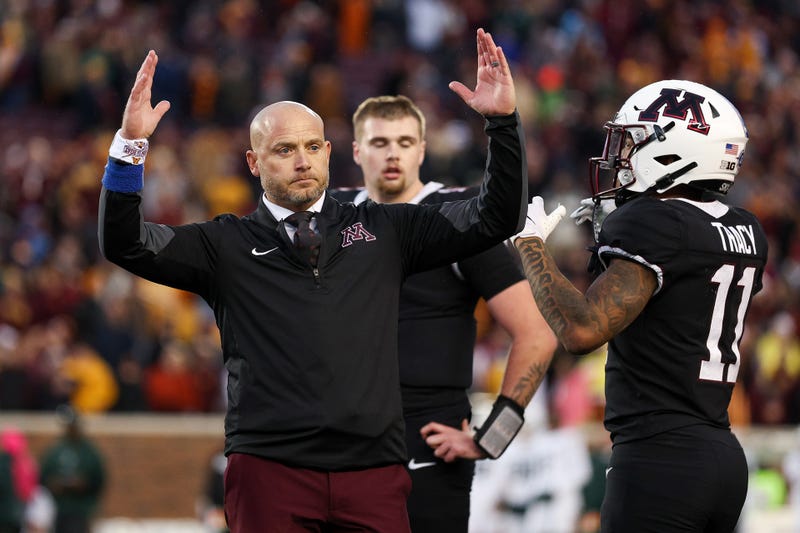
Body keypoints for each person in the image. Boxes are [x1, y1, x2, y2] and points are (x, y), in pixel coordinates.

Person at [98, 28, 527, 532]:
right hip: (269, 470)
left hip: (374, 472)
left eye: (310, 147)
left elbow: (495, 218)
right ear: (254, 163)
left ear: (328, 151)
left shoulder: (387, 228)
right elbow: (125, 243)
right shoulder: (224, 245)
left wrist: (502, 124)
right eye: (283, 149)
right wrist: (130, 147)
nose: (301, 161)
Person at [513, 79, 768, 532]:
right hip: (722, 457)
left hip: (659, 461)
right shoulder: (746, 229)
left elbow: (582, 330)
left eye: (633, 143)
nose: (621, 158)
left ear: (678, 150)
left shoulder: (656, 223)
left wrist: (532, 247)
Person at [330, 94, 557, 532]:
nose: (392, 153)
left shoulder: (458, 216)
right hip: (340, 437)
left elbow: (537, 333)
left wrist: (492, 437)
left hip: (427, 436)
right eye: (379, 143)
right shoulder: (332, 216)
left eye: (403, 141)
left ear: (422, 148)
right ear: (357, 151)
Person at [39, 407, 106, 533]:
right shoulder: (56, 450)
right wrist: (53, 484)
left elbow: (99, 479)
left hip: (80, 509)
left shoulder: (89, 451)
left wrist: (83, 484)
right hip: (58, 509)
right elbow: (43, 477)